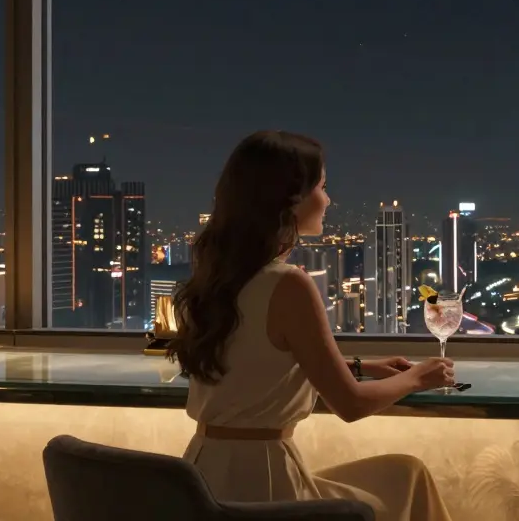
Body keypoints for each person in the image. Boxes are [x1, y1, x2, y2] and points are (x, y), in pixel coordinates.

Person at [169, 130, 454, 521]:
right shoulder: (287, 283)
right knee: (404, 481)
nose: (328, 198)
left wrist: (359, 367)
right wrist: (421, 377)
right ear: (290, 199)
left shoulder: (217, 277)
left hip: (201, 480)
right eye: (322, 185)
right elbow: (350, 404)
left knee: (406, 474)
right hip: (266, 485)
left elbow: (256, 369)